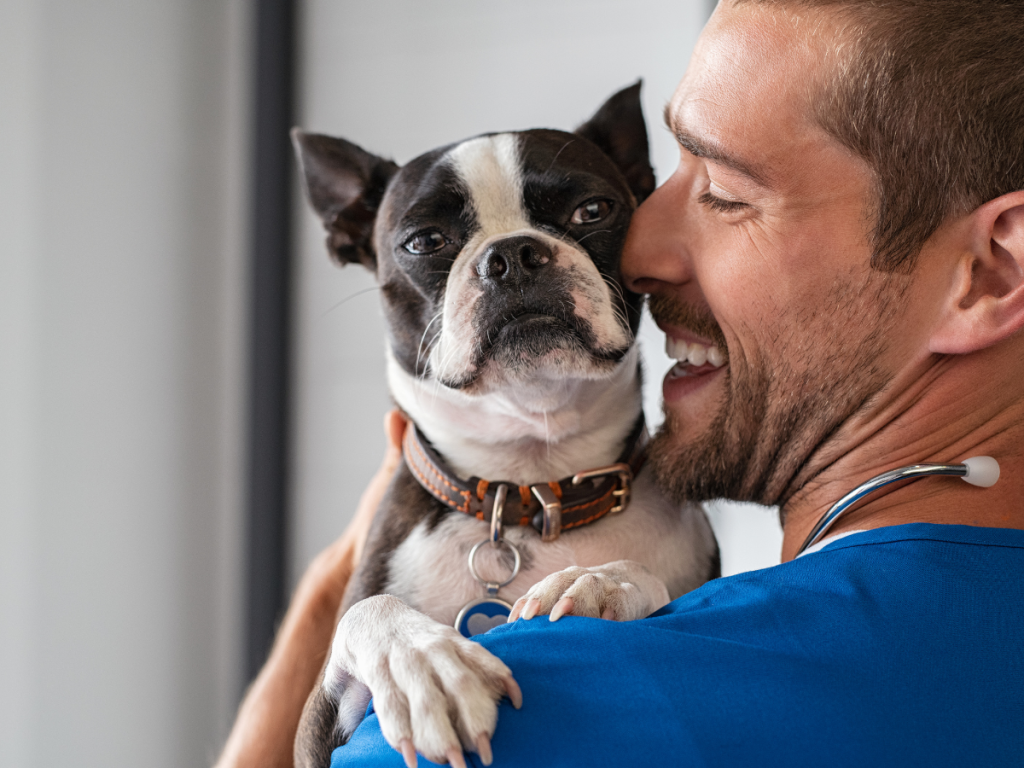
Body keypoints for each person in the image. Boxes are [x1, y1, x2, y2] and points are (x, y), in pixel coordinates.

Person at [216, 0, 1024, 765]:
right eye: (664, 179)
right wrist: (341, 593)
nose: (640, 251)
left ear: (990, 273)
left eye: (725, 194)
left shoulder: (522, 713)